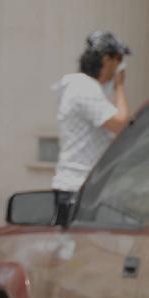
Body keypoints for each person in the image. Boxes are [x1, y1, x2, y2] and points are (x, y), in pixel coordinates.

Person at [52, 31, 130, 216]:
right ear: (106, 59)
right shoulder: (83, 88)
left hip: (83, 187)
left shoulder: (84, 87)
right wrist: (119, 87)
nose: (120, 65)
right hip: (77, 188)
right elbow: (121, 125)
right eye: (118, 58)